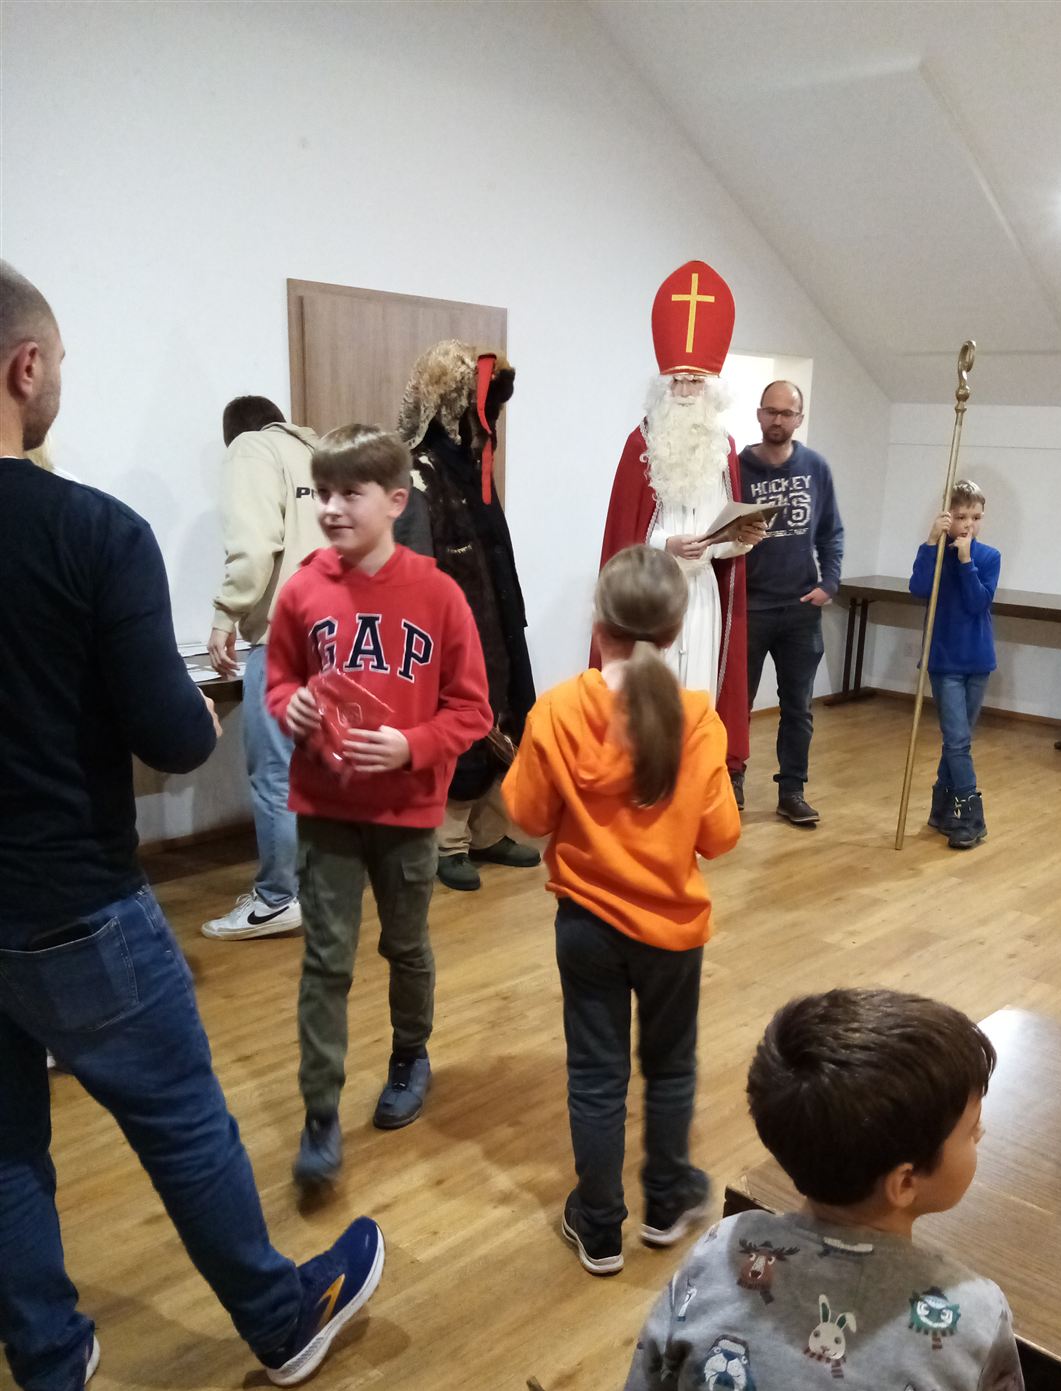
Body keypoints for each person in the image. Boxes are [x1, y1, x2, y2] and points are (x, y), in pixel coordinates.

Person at [0, 260, 384, 1391]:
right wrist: (211, 700)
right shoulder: (92, 533)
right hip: (76, 905)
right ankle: (283, 1318)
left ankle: (51, 1383)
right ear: (24, 367)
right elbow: (170, 739)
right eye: (59, 363)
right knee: (182, 1120)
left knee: (3, 1149)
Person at [609, 988, 1037, 1391]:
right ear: (904, 1182)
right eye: (972, 1132)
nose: (983, 1135)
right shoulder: (974, 1314)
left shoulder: (723, 1248)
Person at [503, 545, 741, 1277]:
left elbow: (524, 819)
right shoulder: (696, 720)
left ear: (598, 623)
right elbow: (721, 836)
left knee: (596, 1075)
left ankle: (600, 1225)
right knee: (669, 1068)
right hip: (672, 931)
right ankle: (666, 1204)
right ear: (673, 631)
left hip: (586, 926)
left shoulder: (557, 711)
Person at [266, 424, 492, 1187]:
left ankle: (409, 1056)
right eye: (322, 492)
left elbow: (472, 711)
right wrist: (290, 705)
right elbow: (280, 682)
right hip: (325, 807)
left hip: (407, 811)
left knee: (406, 946)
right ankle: (319, 1111)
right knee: (325, 960)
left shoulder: (439, 594)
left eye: (349, 493)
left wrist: (411, 746)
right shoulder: (303, 589)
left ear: (395, 501)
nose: (331, 507)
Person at [596, 260, 765, 773]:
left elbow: (723, 531)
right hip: (653, 594)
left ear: (712, 387)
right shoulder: (640, 445)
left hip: (704, 596)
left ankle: (693, 784)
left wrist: (741, 538)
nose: (687, 391)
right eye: (679, 381)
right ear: (664, 385)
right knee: (650, 697)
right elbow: (624, 534)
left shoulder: (724, 447)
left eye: (696, 381)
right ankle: (644, 780)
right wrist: (666, 545)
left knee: (697, 697)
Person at [395, 340, 539, 891]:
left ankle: (486, 832)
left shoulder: (476, 467)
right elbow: (412, 573)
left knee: (503, 715)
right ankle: (447, 843)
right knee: (460, 729)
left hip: (495, 620)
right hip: (450, 631)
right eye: (479, 407)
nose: (488, 421)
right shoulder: (417, 473)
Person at [203, 395, 324, 939]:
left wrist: (225, 615)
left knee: (277, 773)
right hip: (342, 639)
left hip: (287, 641)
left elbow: (254, 549)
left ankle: (276, 900)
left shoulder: (252, 449)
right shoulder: (320, 455)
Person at [736, 381, 844, 824]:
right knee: (737, 704)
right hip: (748, 607)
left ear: (799, 418)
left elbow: (831, 531)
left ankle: (792, 791)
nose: (777, 420)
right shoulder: (736, 467)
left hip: (800, 608)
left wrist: (829, 582)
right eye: (770, 411)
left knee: (798, 706)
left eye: (787, 413)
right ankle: (731, 780)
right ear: (759, 414)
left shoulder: (815, 467)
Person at [909, 483, 1001, 850]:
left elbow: (978, 602)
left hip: (978, 659)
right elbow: (918, 589)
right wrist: (932, 543)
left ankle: (942, 808)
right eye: (961, 517)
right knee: (957, 739)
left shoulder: (988, 556)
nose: (968, 525)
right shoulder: (934, 555)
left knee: (958, 740)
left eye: (976, 517)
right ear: (947, 517)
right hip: (944, 659)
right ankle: (971, 815)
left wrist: (966, 562)